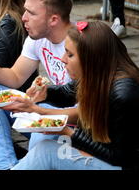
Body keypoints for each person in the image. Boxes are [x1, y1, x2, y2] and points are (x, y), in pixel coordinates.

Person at [0, 0, 74, 170]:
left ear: (53, 19)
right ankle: (7, 165)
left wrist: (39, 110)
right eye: (25, 10)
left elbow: (86, 111)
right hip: (47, 109)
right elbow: (16, 76)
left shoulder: (79, 45)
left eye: (32, 13)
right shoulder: (37, 38)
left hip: (73, 124)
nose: (23, 17)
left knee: (41, 130)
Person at [12, 21, 139, 170]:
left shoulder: (124, 93)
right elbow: (68, 92)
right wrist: (46, 92)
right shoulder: (99, 74)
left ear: (91, 58)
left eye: (70, 54)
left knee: (46, 152)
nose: (63, 59)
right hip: (103, 153)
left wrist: (67, 132)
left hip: (122, 164)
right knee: (45, 146)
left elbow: (120, 157)